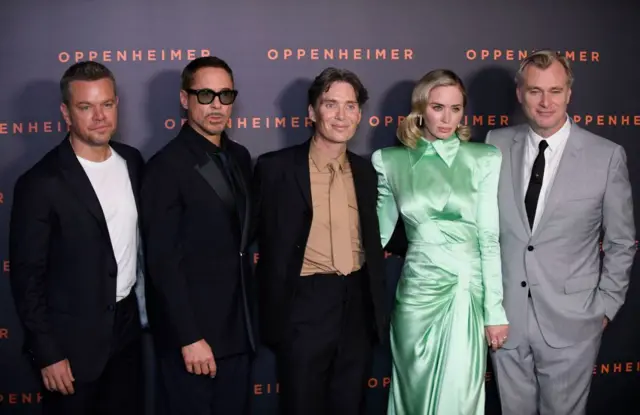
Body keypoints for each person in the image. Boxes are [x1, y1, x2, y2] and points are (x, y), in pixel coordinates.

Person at [486, 49, 635, 415]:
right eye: (535, 91)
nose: (545, 101)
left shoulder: (606, 156)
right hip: (506, 321)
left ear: (569, 93)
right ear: (520, 93)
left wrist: (605, 307)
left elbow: (620, 241)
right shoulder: (494, 144)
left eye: (555, 90)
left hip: (573, 322)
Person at [252, 67, 404, 415]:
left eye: (350, 106)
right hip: (303, 306)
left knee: (350, 405)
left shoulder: (367, 172)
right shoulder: (275, 169)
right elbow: (248, 236)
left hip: (357, 307)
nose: (341, 115)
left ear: (360, 114)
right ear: (311, 112)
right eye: (330, 104)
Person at [9, 61, 145, 414]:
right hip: (71, 345)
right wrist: (48, 352)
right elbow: (28, 277)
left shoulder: (133, 162)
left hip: (128, 332)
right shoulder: (40, 183)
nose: (99, 116)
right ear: (66, 113)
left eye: (107, 104)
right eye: (86, 107)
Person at [372, 69, 509, 415]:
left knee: (460, 398)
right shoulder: (390, 161)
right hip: (416, 297)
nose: (447, 118)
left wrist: (494, 310)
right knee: (411, 396)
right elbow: (377, 236)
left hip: (465, 291)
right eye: (437, 107)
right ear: (420, 108)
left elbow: (489, 239)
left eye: (456, 108)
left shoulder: (484, 158)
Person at [140, 56, 255, 415]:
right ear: (184, 98)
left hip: (240, 330)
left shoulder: (240, 156)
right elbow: (162, 262)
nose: (217, 105)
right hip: (193, 339)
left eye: (225, 95)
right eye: (205, 95)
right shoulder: (165, 166)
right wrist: (189, 337)